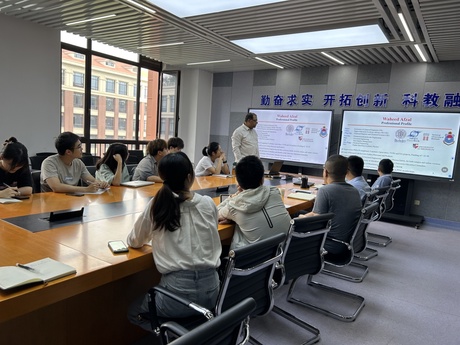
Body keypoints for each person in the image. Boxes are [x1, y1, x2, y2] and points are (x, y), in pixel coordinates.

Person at [127, 152, 222, 332]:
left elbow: (134, 241)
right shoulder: (208, 203)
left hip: (176, 295)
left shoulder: (157, 205)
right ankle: (192, 335)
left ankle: (177, 337)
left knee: (133, 312)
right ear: (190, 176)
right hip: (213, 291)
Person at [217, 155, 291, 249]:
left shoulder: (234, 206)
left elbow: (215, 213)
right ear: (262, 179)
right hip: (283, 255)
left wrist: (234, 197)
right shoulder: (274, 192)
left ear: (238, 183)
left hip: (254, 261)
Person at [302, 154, 362, 255]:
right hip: (345, 243)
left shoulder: (325, 191)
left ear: (325, 172)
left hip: (329, 244)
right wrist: (303, 216)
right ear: (347, 172)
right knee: (300, 214)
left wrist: (299, 219)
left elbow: (316, 222)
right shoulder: (355, 191)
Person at [40, 132, 109, 193]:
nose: (82, 149)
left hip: (72, 200)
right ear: (68, 152)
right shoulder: (49, 163)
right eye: (79, 147)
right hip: (51, 201)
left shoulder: (78, 163)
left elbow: (91, 180)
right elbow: (56, 187)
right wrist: (86, 189)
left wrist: (101, 184)